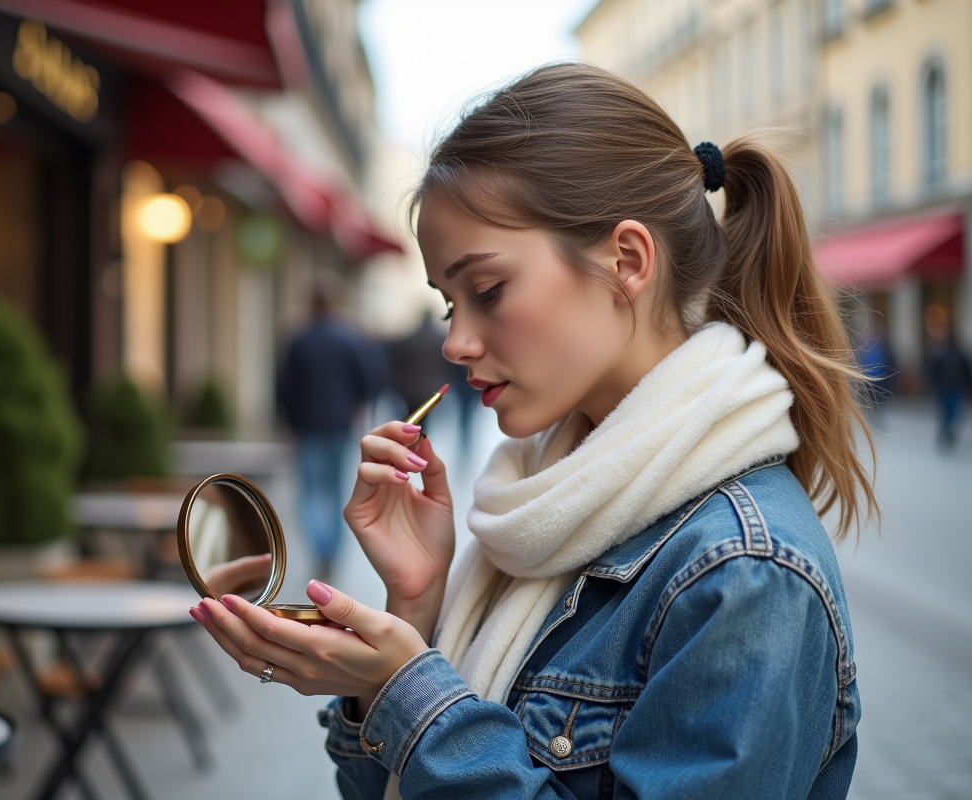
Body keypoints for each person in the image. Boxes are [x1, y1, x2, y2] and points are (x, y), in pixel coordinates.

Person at [192, 64, 877, 799]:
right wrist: (417, 610)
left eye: (486, 291)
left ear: (627, 261)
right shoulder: (539, 511)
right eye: (450, 305)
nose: (456, 344)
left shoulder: (743, 570)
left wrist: (412, 693)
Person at [277, 277, 386, 583]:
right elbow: (370, 381)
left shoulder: (298, 341)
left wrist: (287, 424)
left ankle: (320, 550)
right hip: (340, 425)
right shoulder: (349, 340)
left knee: (310, 491)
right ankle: (332, 553)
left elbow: (284, 388)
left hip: (307, 426)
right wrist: (357, 408)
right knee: (337, 489)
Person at [923, 304, 972, 449]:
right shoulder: (937, 350)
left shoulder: (959, 351)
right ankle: (945, 433)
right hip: (943, 387)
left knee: (955, 413)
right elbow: (931, 370)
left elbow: (966, 369)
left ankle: (948, 432)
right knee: (946, 413)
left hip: (956, 387)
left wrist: (968, 386)